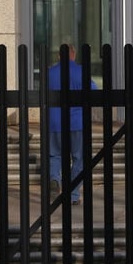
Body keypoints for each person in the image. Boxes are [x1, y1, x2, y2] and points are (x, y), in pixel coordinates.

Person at [47, 44, 97, 206]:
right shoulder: (81, 71)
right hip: (77, 122)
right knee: (79, 159)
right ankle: (73, 194)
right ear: (73, 55)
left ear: (59, 57)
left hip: (55, 122)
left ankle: (55, 178)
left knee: (55, 155)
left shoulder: (50, 73)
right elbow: (94, 91)